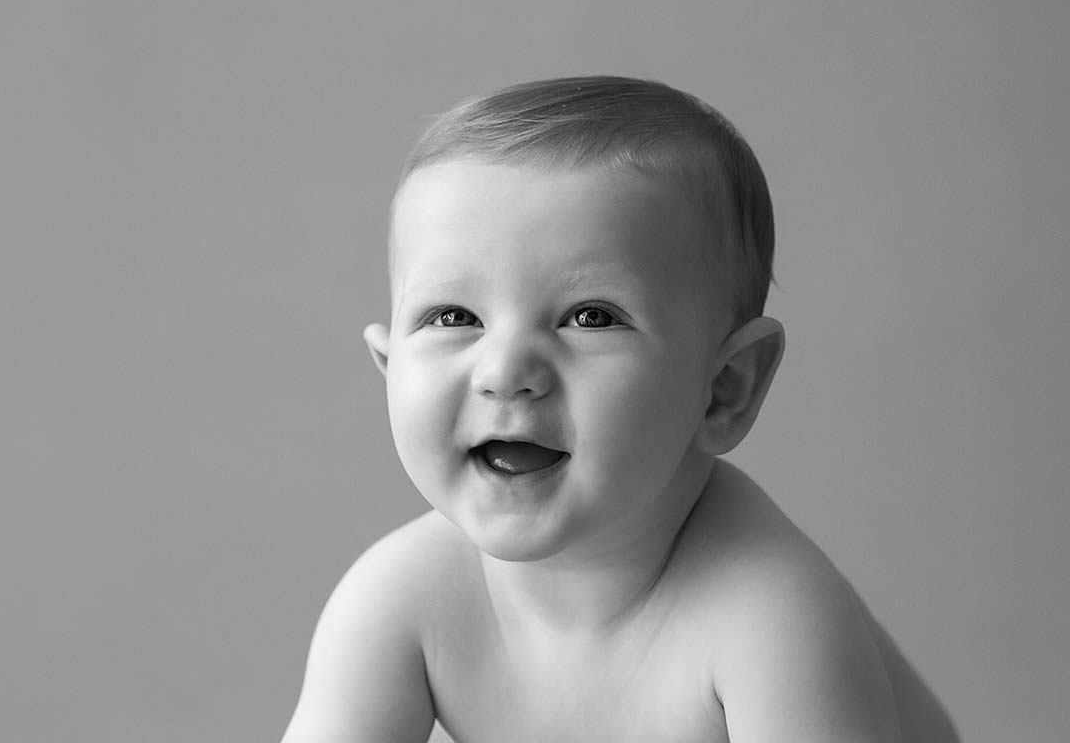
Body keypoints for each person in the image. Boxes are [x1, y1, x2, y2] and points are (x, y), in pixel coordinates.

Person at [282, 76, 958, 742]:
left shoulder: (770, 616)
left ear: (724, 389)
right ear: (390, 367)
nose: (507, 371)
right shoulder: (402, 596)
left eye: (590, 317)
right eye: (454, 315)